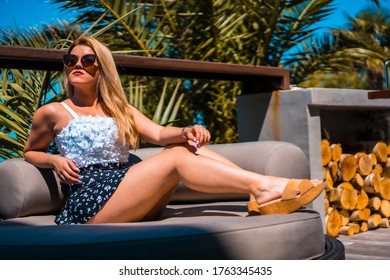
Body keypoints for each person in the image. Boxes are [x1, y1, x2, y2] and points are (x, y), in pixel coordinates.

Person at [23, 36, 323, 225]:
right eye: (71, 60)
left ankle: (264, 191)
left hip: (127, 189)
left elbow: (158, 134)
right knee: (176, 158)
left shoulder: (120, 109)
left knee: (186, 147)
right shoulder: (53, 111)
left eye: (87, 60)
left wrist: (187, 130)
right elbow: (30, 152)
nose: (78, 64)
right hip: (90, 201)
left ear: (101, 68)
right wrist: (54, 160)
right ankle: (265, 187)